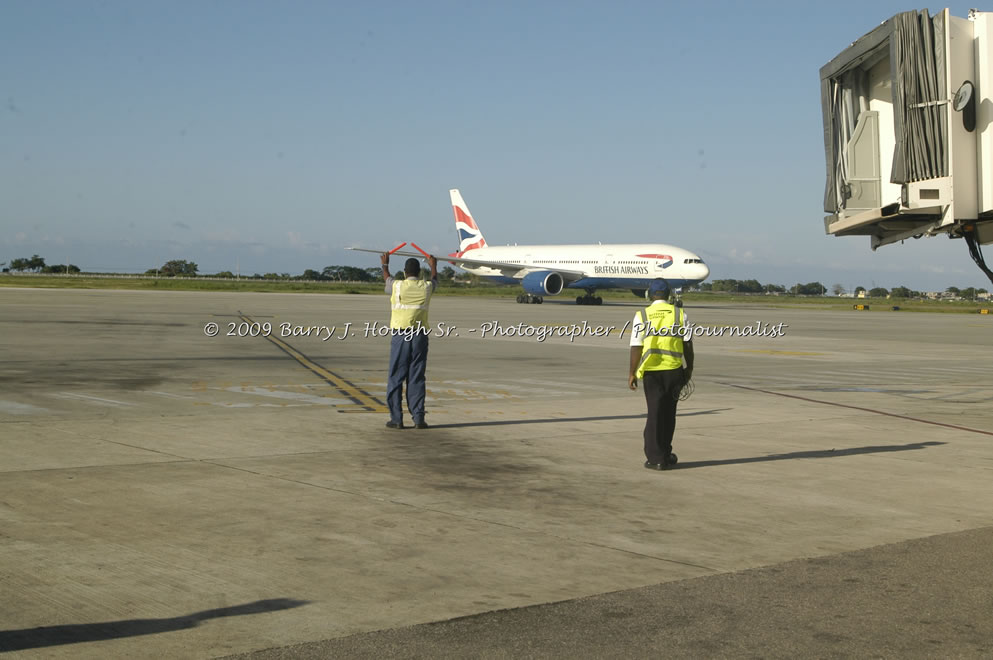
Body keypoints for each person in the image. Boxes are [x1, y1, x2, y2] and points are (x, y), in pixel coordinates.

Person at [628, 278, 694, 470]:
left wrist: (631, 373)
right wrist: (689, 368)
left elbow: (636, 346)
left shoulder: (642, 315)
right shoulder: (680, 315)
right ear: (669, 295)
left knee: (655, 414)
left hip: (652, 372)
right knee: (669, 414)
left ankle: (656, 458)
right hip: (674, 370)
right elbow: (688, 344)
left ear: (649, 294)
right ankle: (665, 452)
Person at [380, 252, 438, 429]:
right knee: (417, 377)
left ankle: (397, 419)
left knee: (396, 377)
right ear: (419, 272)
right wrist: (433, 265)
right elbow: (435, 279)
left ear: (405, 273)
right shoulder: (426, 287)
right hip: (420, 337)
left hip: (401, 336)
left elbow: (387, 279)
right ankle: (418, 418)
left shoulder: (397, 286)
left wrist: (385, 265)